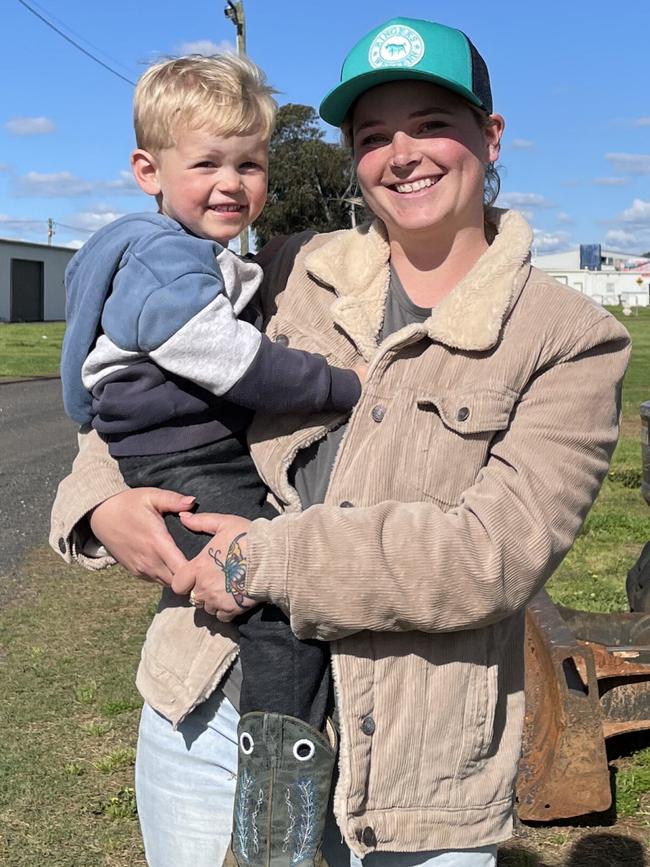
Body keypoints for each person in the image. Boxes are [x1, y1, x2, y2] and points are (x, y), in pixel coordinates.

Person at [51, 16, 630, 867]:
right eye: (373, 134)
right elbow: (146, 392)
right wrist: (99, 504)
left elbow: (491, 555)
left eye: (433, 124)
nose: (404, 154)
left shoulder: (568, 337)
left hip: (418, 766)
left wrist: (264, 560)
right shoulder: (289, 268)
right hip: (207, 703)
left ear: (491, 134)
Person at [59, 53, 364, 864]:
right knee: (270, 600)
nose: (232, 182)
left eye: (251, 163)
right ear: (147, 171)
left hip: (174, 445)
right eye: (207, 164)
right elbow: (233, 364)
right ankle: (278, 772)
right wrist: (342, 384)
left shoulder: (178, 250)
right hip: (184, 456)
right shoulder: (167, 259)